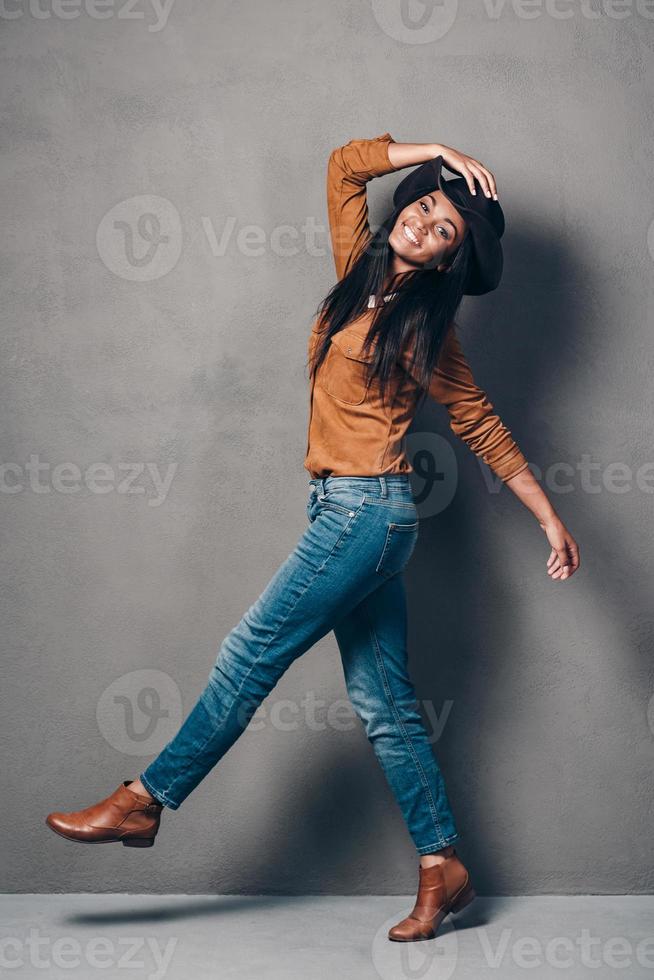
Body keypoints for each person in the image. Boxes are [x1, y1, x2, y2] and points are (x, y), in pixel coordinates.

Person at [45, 133, 580, 942]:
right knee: (388, 706)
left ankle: (145, 801)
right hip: (347, 512)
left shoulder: (428, 330)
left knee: (249, 650)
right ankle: (445, 865)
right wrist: (432, 147)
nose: (425, 222)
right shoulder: (357, 272)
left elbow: (482, 426)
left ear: (446, 264)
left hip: (365, 515)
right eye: (428, 206)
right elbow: (342, 166)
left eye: (443, 232)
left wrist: (549, 518)